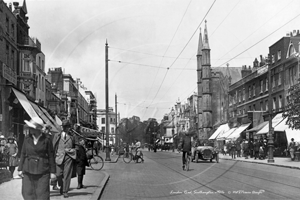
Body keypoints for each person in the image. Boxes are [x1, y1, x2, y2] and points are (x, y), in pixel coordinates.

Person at [18, 117, 56, 200]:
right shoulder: (27, 138)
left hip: (43, 170)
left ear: (38, 129)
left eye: (31, 127)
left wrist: (53, 172)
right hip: (28, 169)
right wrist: (20, 169)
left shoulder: (47, 140)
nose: (29, 129)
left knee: (42, 194)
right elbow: (23, 153)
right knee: (27, 193)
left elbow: (51, 156)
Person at [53, 119, 77, 198]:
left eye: (68, 127)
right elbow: (54, 146)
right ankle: (62, 185)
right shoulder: (57, 136)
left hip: (69, 158)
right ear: (63, 127)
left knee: (67, 174)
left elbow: (76, 146)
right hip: (59, 157)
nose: (68, 128)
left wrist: (72, 150)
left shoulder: (72, 136)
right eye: (66, 127)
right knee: (58, 174)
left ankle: (65, 191)